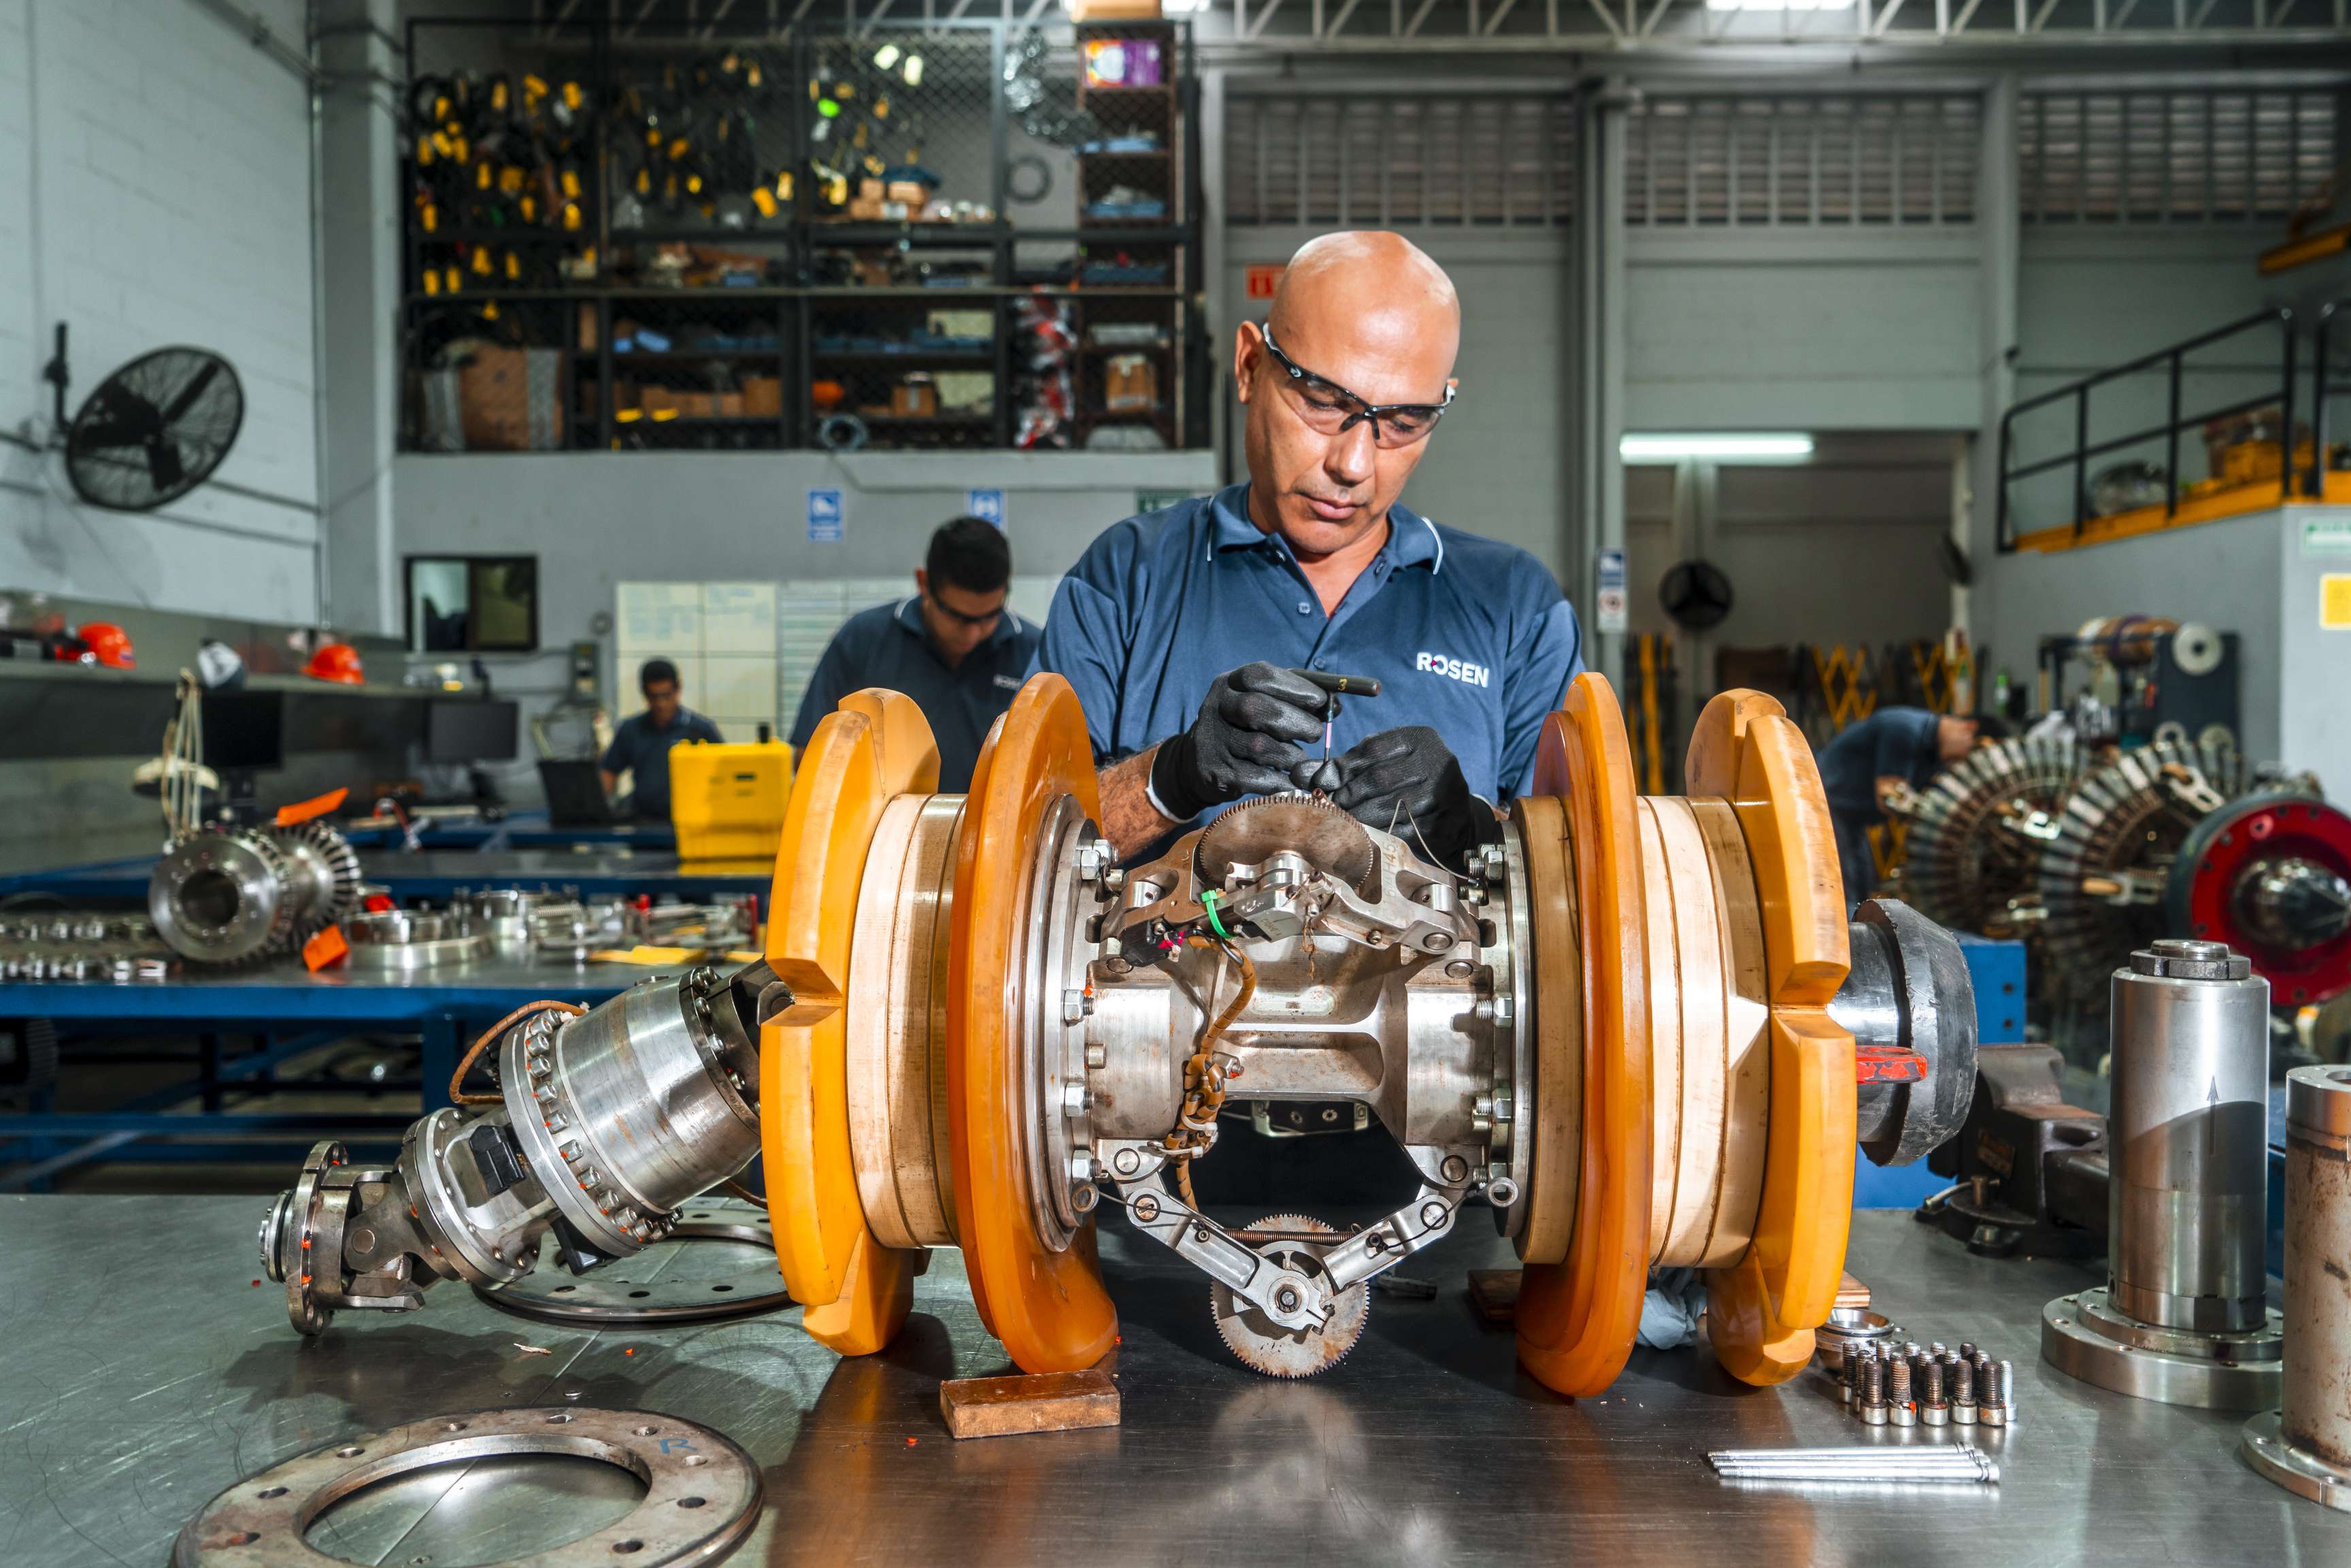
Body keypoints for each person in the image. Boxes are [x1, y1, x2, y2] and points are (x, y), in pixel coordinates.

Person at [1035, 231, 1582, 869]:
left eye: (1403, 424)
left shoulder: (1515, 608)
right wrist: (1170, 779)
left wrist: (1477, 833)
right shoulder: (1129, 576)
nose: (1354, 465)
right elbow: (1022, 858)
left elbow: (1580, 886)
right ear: (1248, 366)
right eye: (1324, 403)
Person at [789, 515, 1042, 793]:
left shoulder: (1033, 654)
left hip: (996, 832)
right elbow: (811, 755)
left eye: (989, 616)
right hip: (886, 832)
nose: (972, 634)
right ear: (923, 583)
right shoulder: (863, 640)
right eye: (957, 617)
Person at [1818, 706, 2007, 903]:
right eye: (1972, 752)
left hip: (1852, 821)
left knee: (1861, 891)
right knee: (1843, 897)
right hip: (1826, 810)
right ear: (1969, 728)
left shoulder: (1934, 756)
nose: (1965, 761)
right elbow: (1891, 797)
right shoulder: (1905, 729)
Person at [600, 658, 724, 822]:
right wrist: (595, 808)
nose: (661, 704)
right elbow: (609, 771)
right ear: (644, 693)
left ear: (678, 689)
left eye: (666, 696)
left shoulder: (699, 729)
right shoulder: (631, 729)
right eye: (654, 697)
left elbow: (724, 774)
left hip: (690, 823)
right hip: (643, 823)